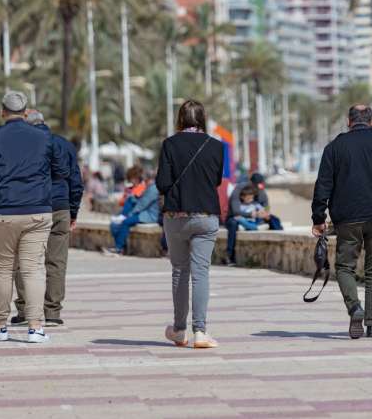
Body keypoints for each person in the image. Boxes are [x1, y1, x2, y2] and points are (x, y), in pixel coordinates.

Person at [0, 91, 68, 343]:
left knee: (3, 269)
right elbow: (61, 171)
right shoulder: (44, 138)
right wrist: (41, 191)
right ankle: (36, 327)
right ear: (26, 113)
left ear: (2, 112)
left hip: (4, 211)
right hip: (37, 211)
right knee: (34, 270)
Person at [311, 105, 372, 339]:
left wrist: (318, 217)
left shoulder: (334, 148)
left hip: (347, 218)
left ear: (348, 121)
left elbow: (323, 184)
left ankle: (355, 308)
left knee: (345, 267)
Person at [156, 100, 224, 349]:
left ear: (180, 119)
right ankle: (200, 331)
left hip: (176, 216)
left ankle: (179, 330)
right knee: (201, 273)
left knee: (179, 272)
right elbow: (216, 180)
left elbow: (162, 183)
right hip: (206, 215)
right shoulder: (216, 146)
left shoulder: (169, 144)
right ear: (202, 119)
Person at [12, 111, 83, 327]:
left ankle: (25, 310)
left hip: (31, 207)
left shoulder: (22, 146)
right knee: (56, 262)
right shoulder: (64, 145)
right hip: (60, 208)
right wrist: (73, 212)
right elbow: (76, 181)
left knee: (25, 260)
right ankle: (52, 312)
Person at [225, 173, 282, 265]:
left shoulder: (262, 193)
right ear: (251, 183)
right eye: (256, 187)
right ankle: (230, 255)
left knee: (274, 220)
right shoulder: (239, 190)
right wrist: (251, 214)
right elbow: (236, 211)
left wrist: (265, 214)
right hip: (236, 218)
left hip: (255, 218)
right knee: (232, 224)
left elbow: (266, 208)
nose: (258, 189)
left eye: (260, 187)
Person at [109, 169, 159, 256]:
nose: (143, 180)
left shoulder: (153, 188)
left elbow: (143, 204)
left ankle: (119, 248)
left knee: (125, 222)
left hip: (150, 216)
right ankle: (120, 247)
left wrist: (131, 214)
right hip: (145, 213)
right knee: (117, 222)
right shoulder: (151, 187)